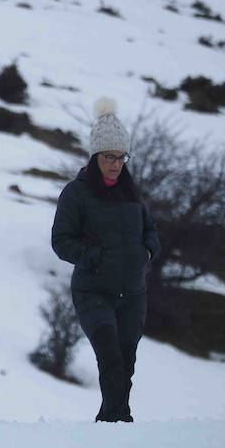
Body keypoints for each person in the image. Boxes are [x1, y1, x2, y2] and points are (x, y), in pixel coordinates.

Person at [51, 97, 160, 422]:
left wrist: (147, 252)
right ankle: (120, 421)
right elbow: (61, 241)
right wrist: (95, 257)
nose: (116, 164)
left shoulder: (131, 192)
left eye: (121, 157)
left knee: (126, 362)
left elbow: (150, 230)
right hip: (93, 290)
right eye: (109, 157)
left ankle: (109, 423)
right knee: (110, 357)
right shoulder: (76, 192)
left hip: (132, 292)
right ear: (96, 156)